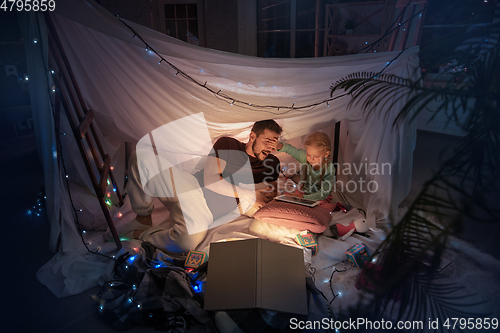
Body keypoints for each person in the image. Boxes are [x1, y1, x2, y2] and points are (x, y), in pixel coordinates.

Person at [110, 119, 282, 253]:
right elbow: (210, 180)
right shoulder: (228, 144)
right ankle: (143, 217)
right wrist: (248, 192)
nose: (272, 146)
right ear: (252, 136)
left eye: (275, 142)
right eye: (268, 141)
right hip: (190, 186)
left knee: (185, 244)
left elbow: (269, 194)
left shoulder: (272, 163)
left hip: (205, 212)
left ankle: (142, 234)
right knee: (141, 158)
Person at [277, 131, 335, 201]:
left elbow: (323, 194)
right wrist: (279, 146)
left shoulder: (329, 169)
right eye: (308, 155)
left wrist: (304, 198)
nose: (311, 159)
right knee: (285, 197)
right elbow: (291, 150)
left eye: (316, 156)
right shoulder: (304, 157)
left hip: (318, 198)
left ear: (326, 154)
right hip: (302, 192)